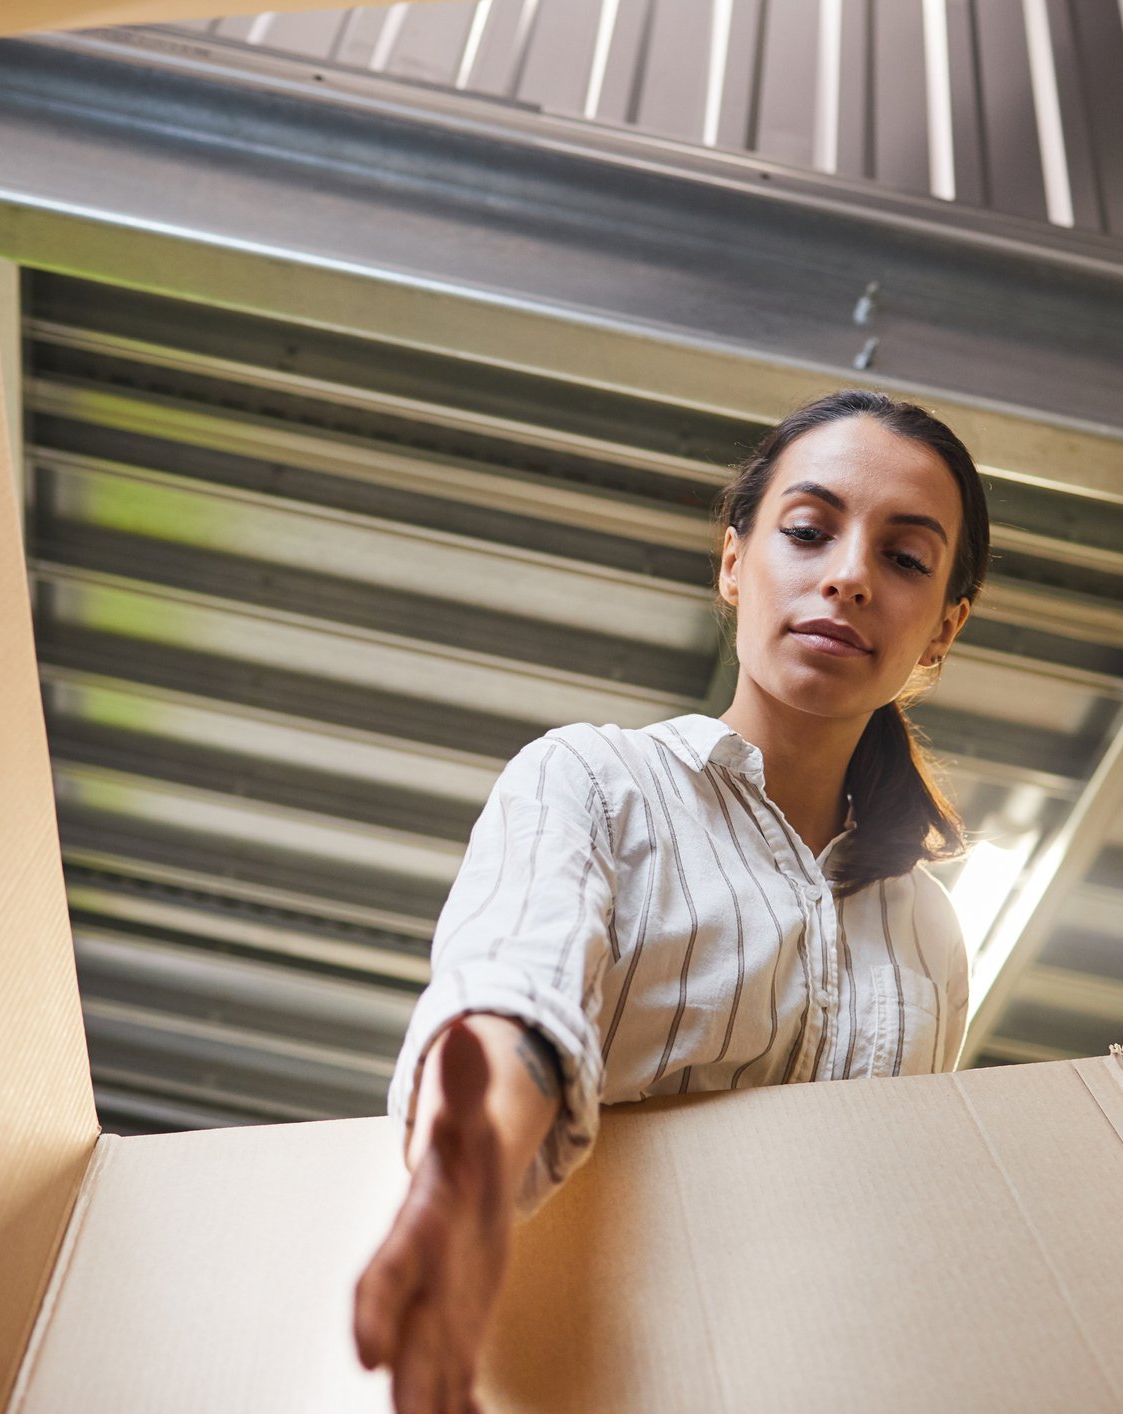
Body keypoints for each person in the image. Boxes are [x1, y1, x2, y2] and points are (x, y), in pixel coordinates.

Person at [351, 388, 990, 1414]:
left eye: (905, 558)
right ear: (735, 561)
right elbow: (517, 995)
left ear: (943, 628)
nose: (848, 577)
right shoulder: (596, 782)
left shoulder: (930, 939)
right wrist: (465, 1178)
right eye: (809, 530)